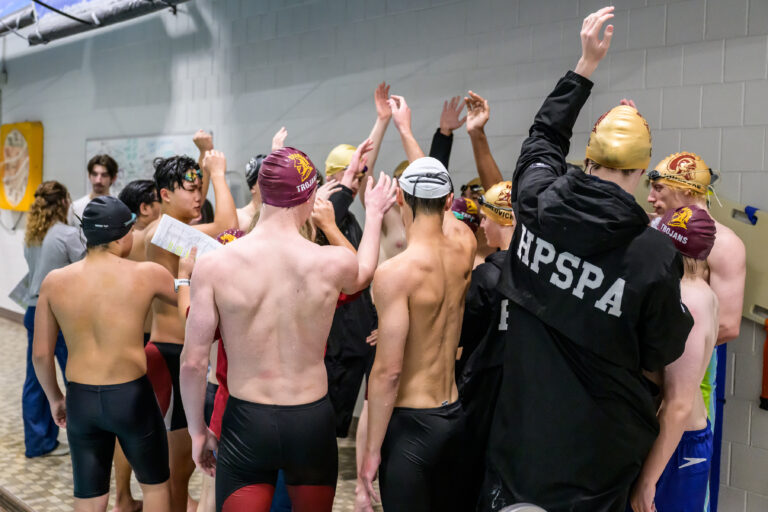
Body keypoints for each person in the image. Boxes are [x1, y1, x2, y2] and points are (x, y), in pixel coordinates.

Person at [479, 8, 694, 510]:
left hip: (520, 436)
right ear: (642, 171)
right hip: (598, 458)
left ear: (589, 159)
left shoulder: (534, 202)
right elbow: (661, 349)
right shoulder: (653, 255)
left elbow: (542, 139)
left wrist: (585, 66)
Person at [179, 146, 396, 511]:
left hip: (247, 420)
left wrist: (197, 431)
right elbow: (363, 273)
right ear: (309, 197)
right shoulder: (331, 262)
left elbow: (193, 363)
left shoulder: (215, 266)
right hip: (310, 421)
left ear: (261, 192)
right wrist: (373, 215)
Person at [32, 196, 175, 512]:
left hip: (81, 399)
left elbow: (41, 354)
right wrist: (189, 270)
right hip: (131, 398)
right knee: (154, 485)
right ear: (123, 235)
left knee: (90, 494)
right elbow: (192, 299)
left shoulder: (54, 282)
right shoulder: (147, 274)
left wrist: (56, 398)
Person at [359, 157, 477, 511]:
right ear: (448, 200)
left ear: (399, 197)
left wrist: (371, 451)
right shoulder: (466, 245)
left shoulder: (396, 273)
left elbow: (388, 372)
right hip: (453, 415)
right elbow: (449, 219)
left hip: (411, 427)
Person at [143, 149, 237, 512]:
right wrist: (218, 172)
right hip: (169, 355)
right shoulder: (163, 231)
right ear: (166, 195)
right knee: (176, 466)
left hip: (176, 353)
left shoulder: (172, 230)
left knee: (180, 466)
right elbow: (228, 227)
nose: (199, 196)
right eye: (191, 189)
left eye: (201, 189)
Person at [630, 205, 718, 512]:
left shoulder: (688, 300)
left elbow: (678, 403)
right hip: (670, 440)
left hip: (677, 445)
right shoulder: (694, 289)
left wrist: (647, 482)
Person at [455, 181, 515, 508]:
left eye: (486, 218)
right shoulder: (542, 275)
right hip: (523, 395)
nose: (482, 226)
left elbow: (459, 336)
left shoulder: (486, 277)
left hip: (483, 394)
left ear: (502, 220)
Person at [21, 181, 85, 458]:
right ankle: (84, 439)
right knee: (77, 378)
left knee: (37, 379)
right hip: (60, 314)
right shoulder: (68, 234)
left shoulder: (32, 236)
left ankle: (39, 443)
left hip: (33, 311)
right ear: (62, 202)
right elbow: (87, 269)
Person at [323, 138, 382, 437]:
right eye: (351, 175)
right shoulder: (322, 214)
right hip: (335, 344)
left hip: (356, 339)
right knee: (327, 428)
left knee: (338, 427)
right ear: (330, 175)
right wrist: (346, 183)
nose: (356, 183)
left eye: (360, 177)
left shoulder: (350, 219)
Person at [237, 127, 288, 231]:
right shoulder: (240, 216)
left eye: (272, 177)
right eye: (265, 178)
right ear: (252, 188)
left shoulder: (278, 214)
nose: (270, 182)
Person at [69, 154, 118, 227]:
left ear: (113, 178)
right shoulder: (75, 207)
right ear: (89, 176)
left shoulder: (119, 208)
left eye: (104, 175)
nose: (98, 180)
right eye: (94, 174)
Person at [119, 179, 161, 262]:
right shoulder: (144, 237)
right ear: (144, 208)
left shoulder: (120, 238)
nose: (165, 205)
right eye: (161, 201)